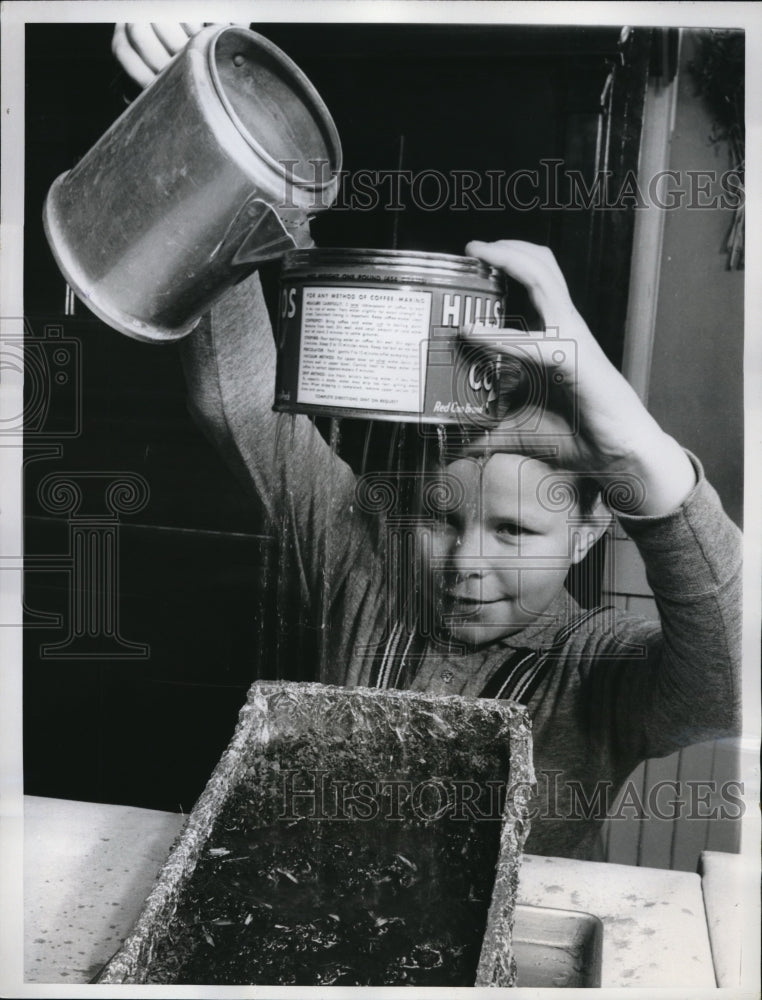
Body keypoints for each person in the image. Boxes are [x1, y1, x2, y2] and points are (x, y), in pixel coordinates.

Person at [111, 25, 742, 860]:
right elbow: (240, 403)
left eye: (516, 531)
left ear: (591, 523)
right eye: (436, 517)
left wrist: (631, 446)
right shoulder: (359, 561)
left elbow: (731, 678)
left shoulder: (604, 670)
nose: (466, 563)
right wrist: (197, 144)